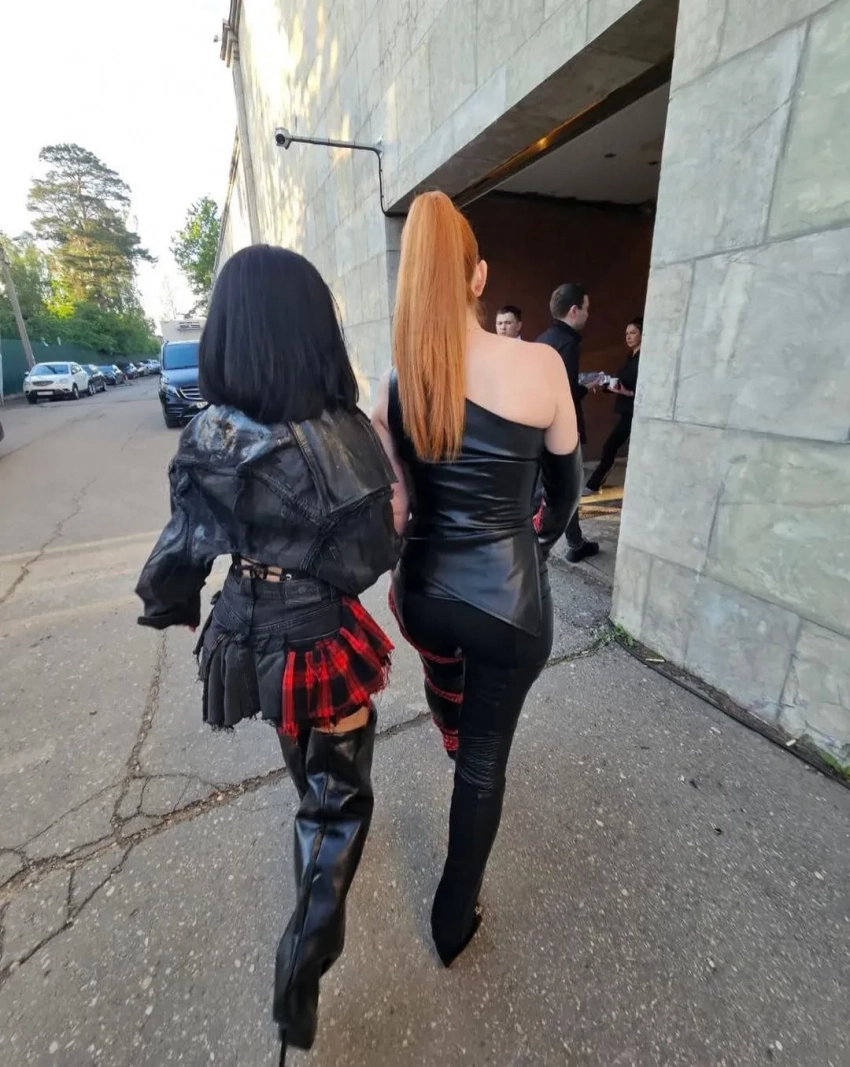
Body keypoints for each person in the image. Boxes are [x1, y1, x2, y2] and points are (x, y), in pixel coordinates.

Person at [135, 245, 399, 1065]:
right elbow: (371, 557)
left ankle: (317, 866)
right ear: (315, 331)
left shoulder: (205, 434)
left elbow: (183, 543)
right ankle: (301, 964)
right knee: (338, 800)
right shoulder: (349, 432)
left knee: (308, 768)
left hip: (245, 625)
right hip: (316, 630)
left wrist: (170, 603)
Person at [372, 191, 582, 968]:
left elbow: (401, 505)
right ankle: (451, 921)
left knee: (447, 668)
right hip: (506, 604)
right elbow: (565, 495)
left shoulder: (397, 383)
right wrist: (533, 544)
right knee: (485, 764)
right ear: (478, 276)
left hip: (423, 595)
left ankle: (449, 714)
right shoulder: (541, 364)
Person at [535, 284, 599, 563]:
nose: (588, 314)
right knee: (568, 488)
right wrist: (588, 387)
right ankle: (562, 543)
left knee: (544, 486)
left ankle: (569, 541)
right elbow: (568, 392)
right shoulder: (568, 343)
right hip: (560, 428)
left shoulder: (543, 339)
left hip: (538, 424)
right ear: (574, 310)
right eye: (586, 308)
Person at [584, 316, 642, 495]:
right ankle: (594, 485)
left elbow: (643, 388)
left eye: (633, 333)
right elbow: (621, 384)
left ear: (643, 334)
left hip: (635, 412)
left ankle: (594, 485)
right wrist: (605, 385)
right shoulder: (630, 357)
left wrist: (628, 392)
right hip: (626, 411)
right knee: (611, 446)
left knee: (610, 446)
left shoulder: (644, 359)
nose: (628, 337)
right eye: (626, 334)